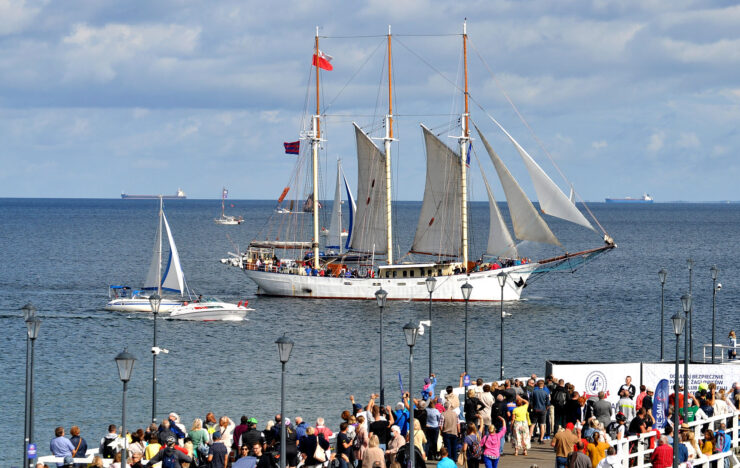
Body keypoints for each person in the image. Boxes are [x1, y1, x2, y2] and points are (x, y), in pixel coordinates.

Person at [530, 379, 549, 444]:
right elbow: (548, 403)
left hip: (535, 409)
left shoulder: (533, 392)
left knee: (533, 424)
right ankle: (541, 439)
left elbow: (531, 401)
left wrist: (532, 407)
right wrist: (546, 408)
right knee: (542, 425)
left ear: (537, 385)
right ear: (543, 385)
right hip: (543, 409)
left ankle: (529, 437)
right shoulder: (545, 393)